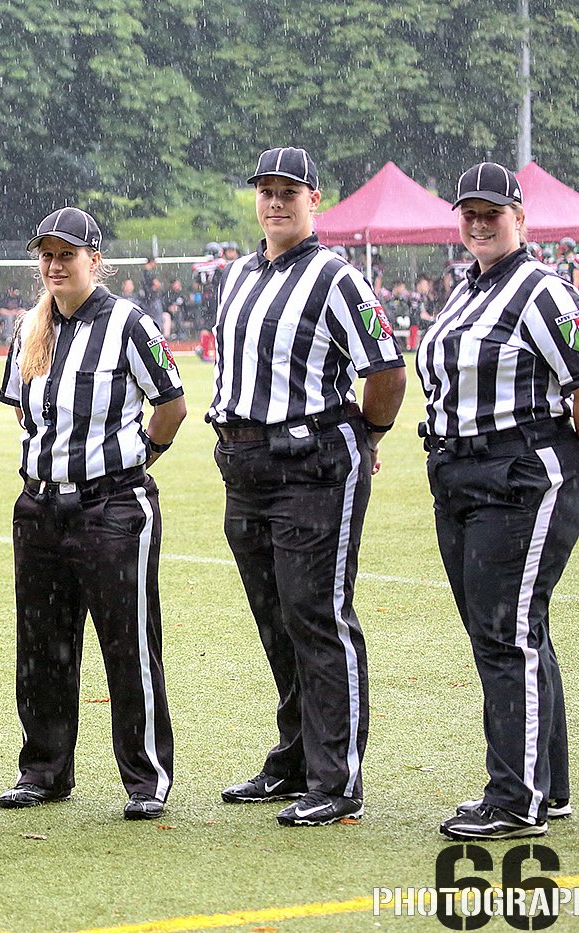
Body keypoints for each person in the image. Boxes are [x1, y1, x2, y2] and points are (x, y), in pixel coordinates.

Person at [209, 148, 406, 827]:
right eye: (265, 191)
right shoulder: (238, 274)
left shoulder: (337, 278)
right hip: (246, 465)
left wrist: (369, 434)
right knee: (277, 619)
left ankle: (337, 776)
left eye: (288, 192)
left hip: (312, 463)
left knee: (317, 613)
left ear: (313, 199)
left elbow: (386, 368)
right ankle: (295, 757)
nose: (275, 202)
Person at [424, 163, 579, 840]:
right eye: (469, 213)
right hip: (464, 476)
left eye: (493, 213)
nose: (480, 224)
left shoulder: (542, 290)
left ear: (520, 218)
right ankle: (546, 786)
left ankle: (515, 798)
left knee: (506, 633)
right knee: (512, 632)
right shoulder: (468, 287)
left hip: (519, 475)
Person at [0, 207, 186, 820]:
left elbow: (171, 405)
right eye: (47, 255)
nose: (55, 265)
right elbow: (25, 413)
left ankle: (146, 777)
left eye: (67, 254)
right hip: (40, 507)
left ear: (94, 260)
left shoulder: (130, 323)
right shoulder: (30, 327)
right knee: (42, 646)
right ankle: (44, 771)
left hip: (112, 506)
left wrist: (136, 456)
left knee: (128, 645)